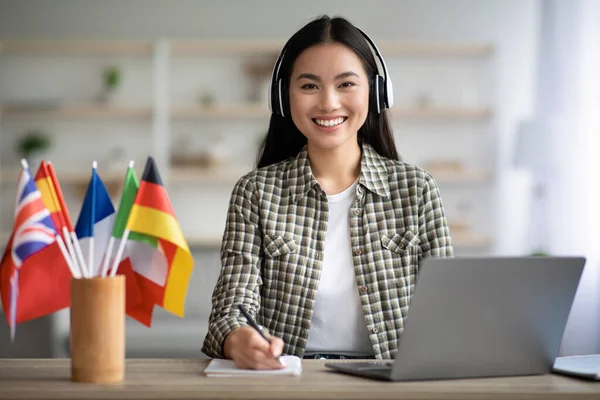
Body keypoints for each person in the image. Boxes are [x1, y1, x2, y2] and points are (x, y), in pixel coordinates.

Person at [202, 15, 453, 369]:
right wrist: (237, 339)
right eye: (309, 86)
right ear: (283, 97)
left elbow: (447, 312)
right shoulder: (255, 193)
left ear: (376, 92)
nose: (328, 103)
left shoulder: (417, 190)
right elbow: (230, 311)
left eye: (346, 84)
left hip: (391, 383)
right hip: (288, 380)